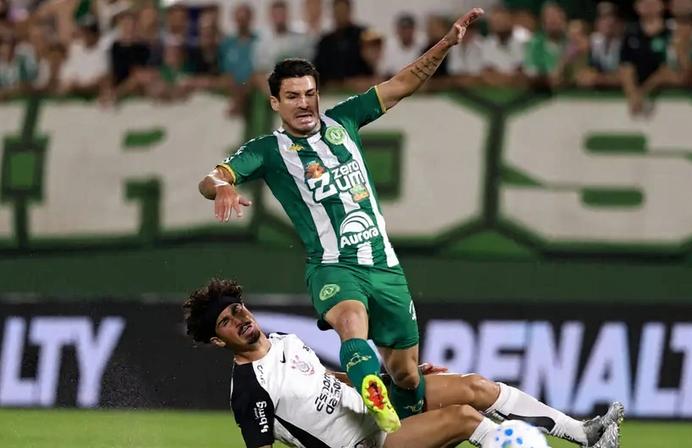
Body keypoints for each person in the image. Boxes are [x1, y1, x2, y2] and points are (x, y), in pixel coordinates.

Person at [198, 8, 484, 434]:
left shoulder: (345, 119)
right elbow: (211, 178)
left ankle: (391, 395)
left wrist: (445, 44)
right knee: (352, 320)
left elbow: (402, 83)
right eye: (292, 96)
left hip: (382, 264)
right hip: (332, 263)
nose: (304, 103)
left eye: (310, 93)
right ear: (275, 103)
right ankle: (372, 389)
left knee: (408, 377)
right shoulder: (268, 151)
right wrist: (221, 187)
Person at [182, 278, 625, 448]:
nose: (239, 319)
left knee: (471, 386)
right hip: (367, 445)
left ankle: (584, 435)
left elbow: (325, 379)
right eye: (225, 321)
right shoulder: (250, 391)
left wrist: (385, 380)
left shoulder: (284, 340)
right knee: (465, 419)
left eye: (237, 309)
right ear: (218, 341)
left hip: (375, 410)